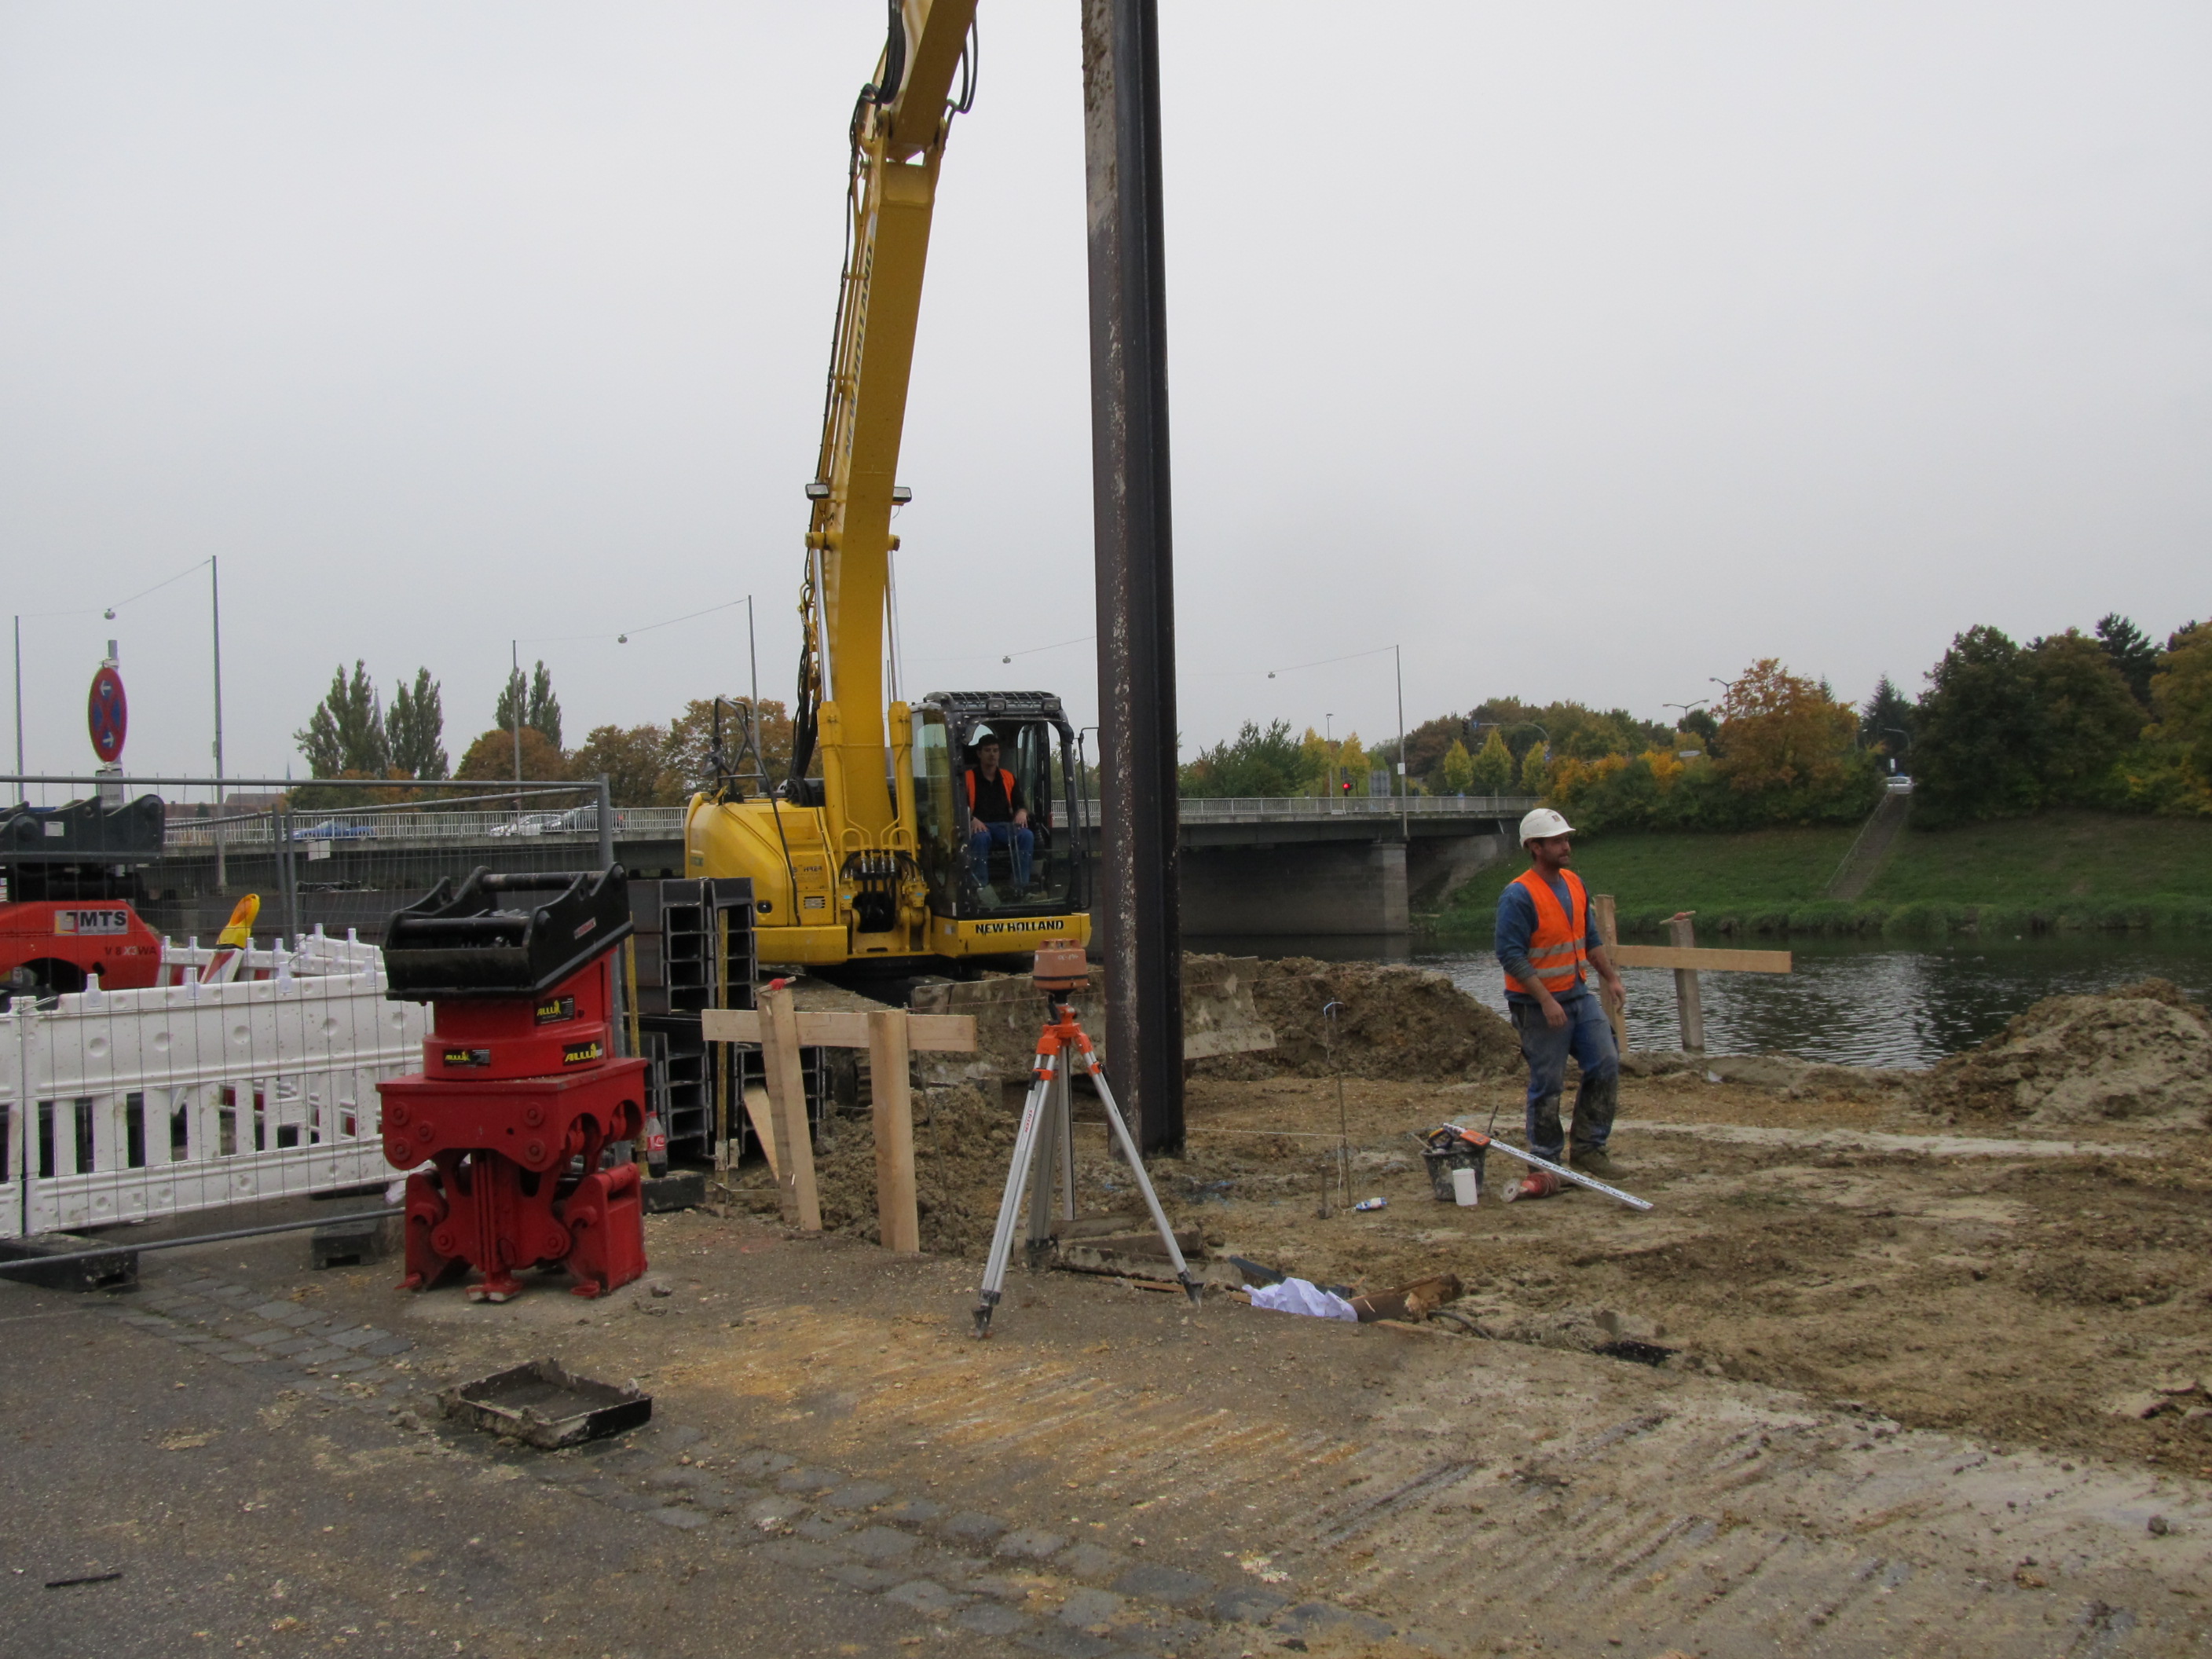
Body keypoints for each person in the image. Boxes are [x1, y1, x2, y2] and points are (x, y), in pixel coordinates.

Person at [1494, 807, 1628, 1174]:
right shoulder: (1518, 896)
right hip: (1538, 1006)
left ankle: (1589, 1148)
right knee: (1548, 1082)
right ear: (1535, 847)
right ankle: (1545, 1160)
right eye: (1556, 841)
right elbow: (1510, 955)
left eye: (1566, 839)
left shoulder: (1573, 883)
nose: (1565, 845)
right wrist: (1546, 1000)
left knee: (1605, 1062)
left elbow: (1590, 938)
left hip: (1576, 995)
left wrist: (1610, 978)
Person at [965, 733, 1033, 892]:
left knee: (1026, 836)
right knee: (981, 838)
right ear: (979, 753)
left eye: (995, 750)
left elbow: (1020, 803)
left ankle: (1020, 885)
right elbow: (960, 806)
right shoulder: (967, 778)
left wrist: (1022, 812)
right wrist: (972, 819)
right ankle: (980, 886)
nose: (992, 754)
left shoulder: (1008, 777)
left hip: (1004, 827)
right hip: (980, 827)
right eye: (988, 750)